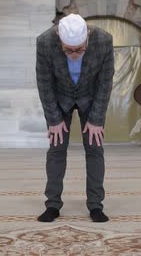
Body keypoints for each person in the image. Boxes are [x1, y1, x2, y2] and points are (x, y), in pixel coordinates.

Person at [35, 13, 114, 223]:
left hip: (91, 98)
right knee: (56, 149)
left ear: (87, 37)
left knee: (95, 149)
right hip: (60, 100)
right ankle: (52, 205)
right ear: (59, 38)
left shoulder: (104, 40)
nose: (74, 54)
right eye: (68, 50)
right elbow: (44, 83)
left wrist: (96, 119)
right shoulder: (44, 42)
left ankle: (96, 205)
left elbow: (105, 83)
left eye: (79, 49)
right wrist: (54, 120)